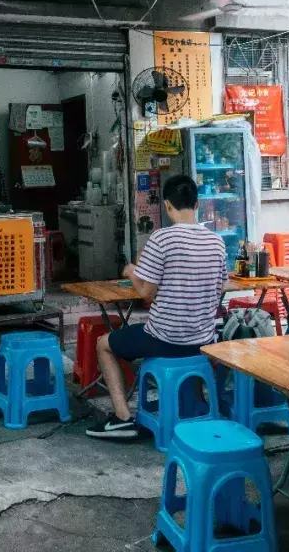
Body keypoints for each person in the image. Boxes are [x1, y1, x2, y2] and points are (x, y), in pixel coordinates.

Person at [87, 174, 228, 440]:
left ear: (166, 205)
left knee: (104, 343)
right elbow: (221, 288)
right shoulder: (217, 242)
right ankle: (195, 409)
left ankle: (121, 418)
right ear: (197, 205)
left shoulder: (161, 239)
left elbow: (147, 295)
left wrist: (131, 272)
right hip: (203, 339)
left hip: (164, 338)